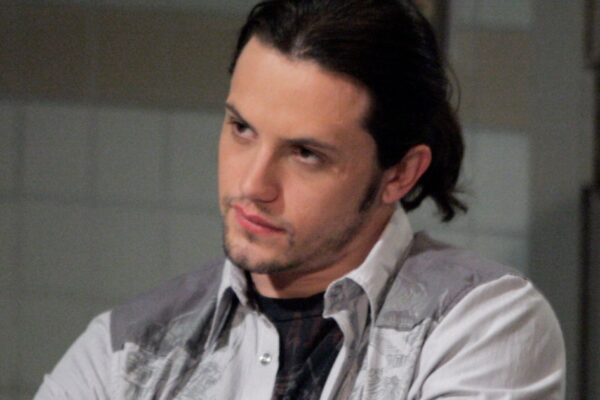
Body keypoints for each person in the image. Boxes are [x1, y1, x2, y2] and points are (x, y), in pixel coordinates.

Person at [34, 0, 565, 399]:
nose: (253, 184)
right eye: (242, 128)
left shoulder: (480, 325)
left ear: (400, 173)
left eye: (306, 154)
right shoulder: (127, 350)